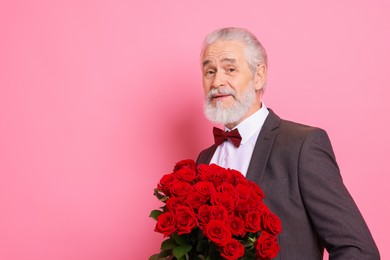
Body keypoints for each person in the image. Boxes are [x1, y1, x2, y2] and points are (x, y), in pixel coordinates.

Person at [196, 27, 380, 259]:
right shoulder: (204, 159)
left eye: (230, 69)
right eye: (209, 71)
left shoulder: (302, 146)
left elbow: (359, 251)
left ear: (259, 75)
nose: (216, 81)